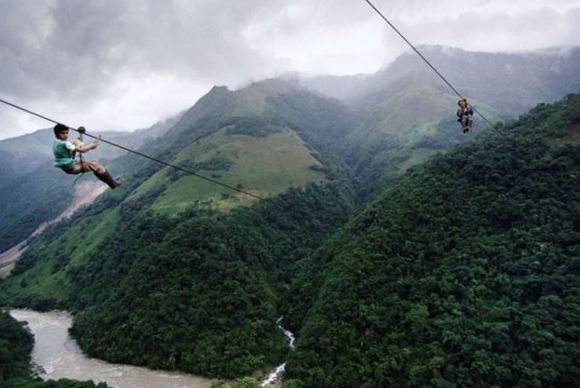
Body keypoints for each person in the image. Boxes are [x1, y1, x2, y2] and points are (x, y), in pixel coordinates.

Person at [52, 123, 121, 189]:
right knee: (97, 166)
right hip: (73, 167)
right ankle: (112, 184)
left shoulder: (56, 143)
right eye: (63, 133)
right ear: (57, 134)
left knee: (94, 162)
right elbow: (82, 150)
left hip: (68, 167)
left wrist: (81, 135)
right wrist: (91, 145)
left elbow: (75, 147)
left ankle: (111, 182)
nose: (66, 135)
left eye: (67, 133)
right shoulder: (65, 144)